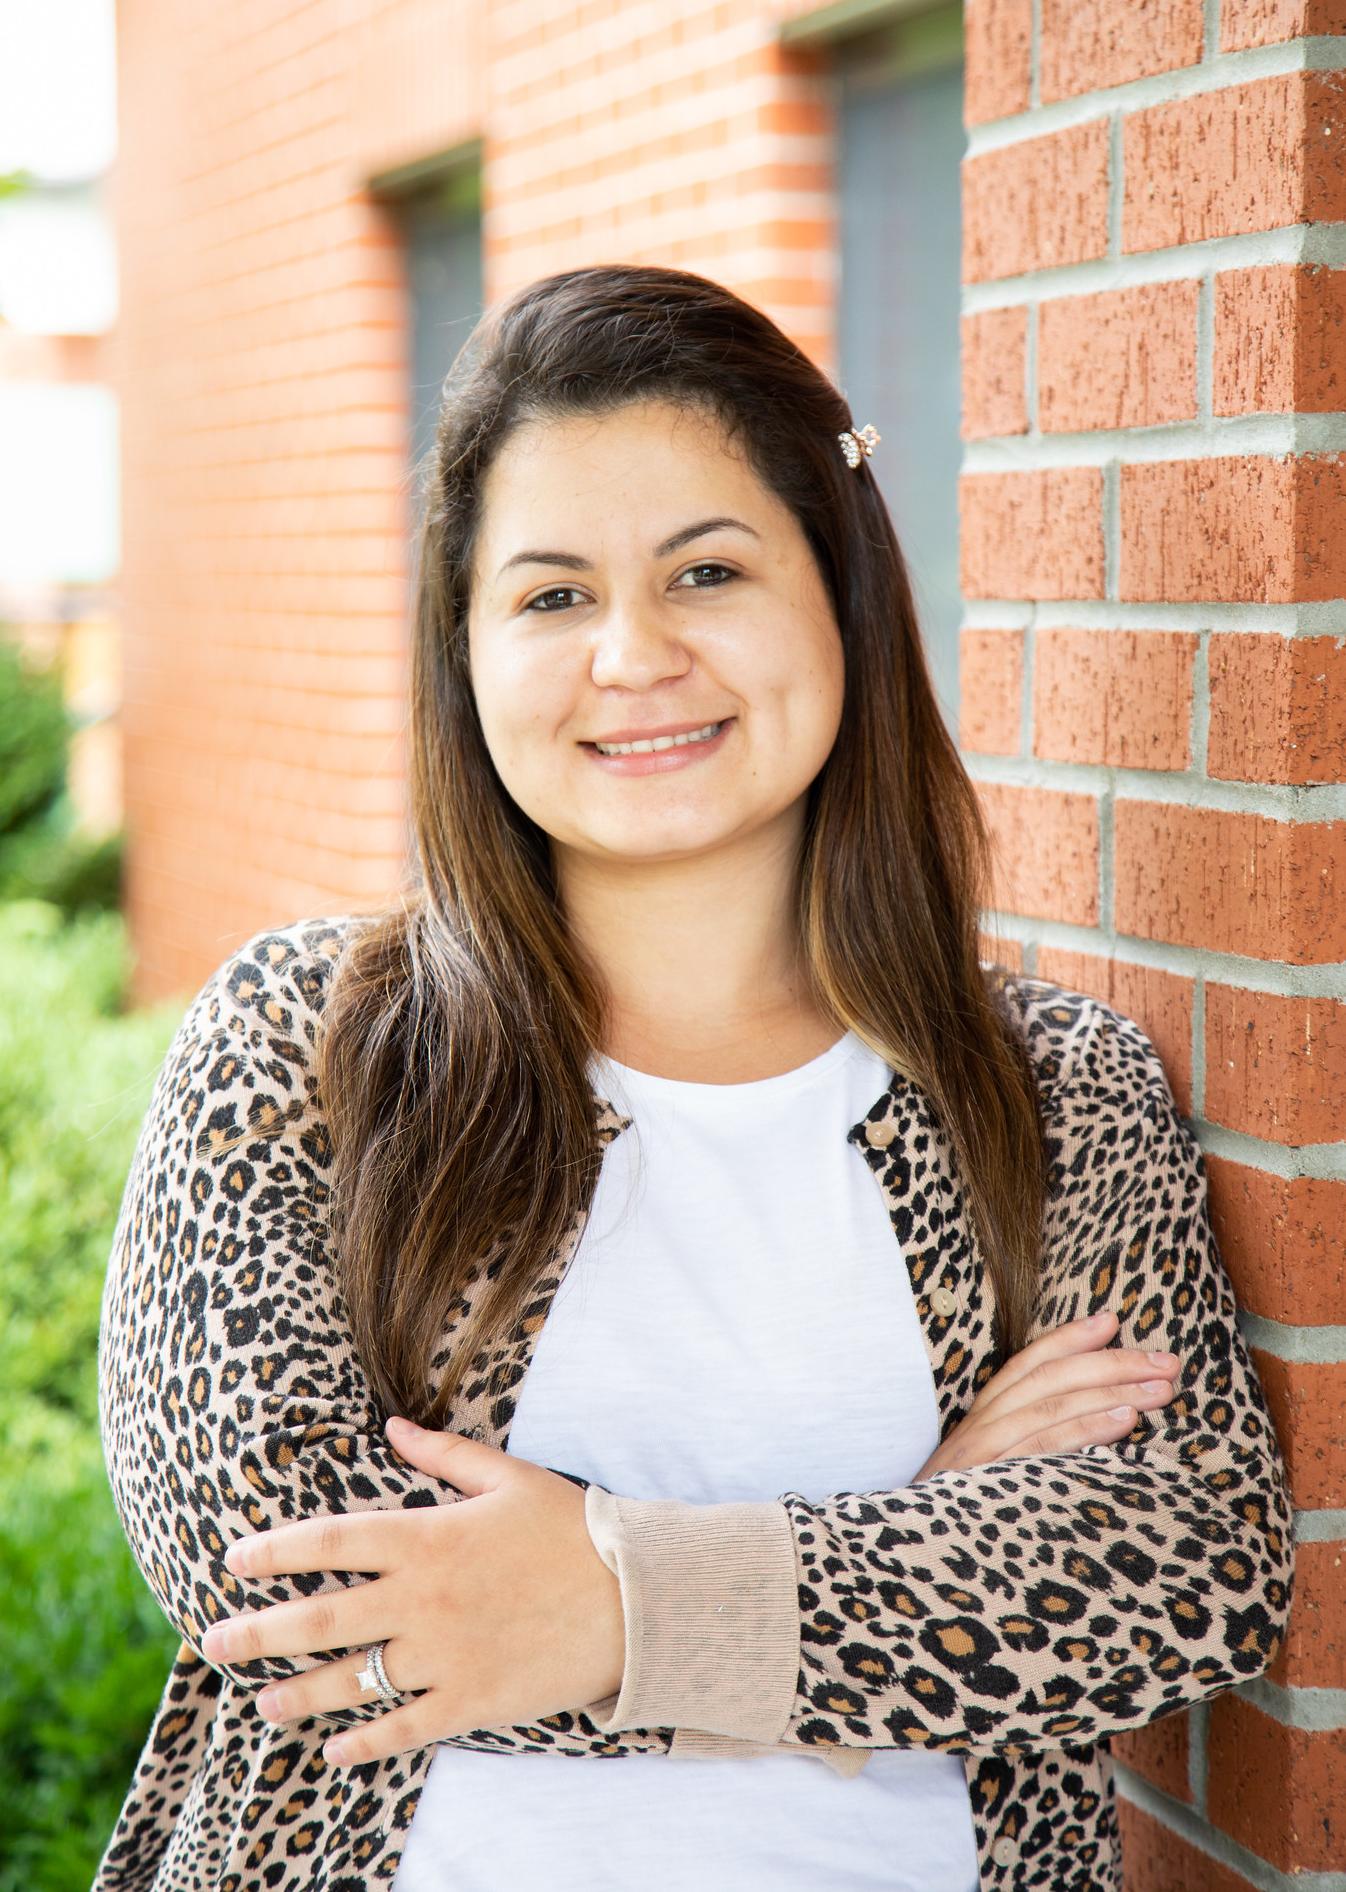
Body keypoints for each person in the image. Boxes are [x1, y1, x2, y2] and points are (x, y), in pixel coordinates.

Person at [94, 262, 1294, 1892]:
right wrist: (922, 1544)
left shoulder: (1056, 1092)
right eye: (551, 596)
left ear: (839, 593)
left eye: (705, 569)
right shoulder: (307, 1047)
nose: (634, 655)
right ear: (466, 653)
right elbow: (299, 1608)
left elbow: (1175, 1573)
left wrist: (612, 1604)